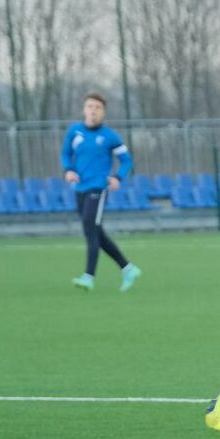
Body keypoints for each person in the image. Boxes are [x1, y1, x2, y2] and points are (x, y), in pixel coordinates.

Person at [60, 92, 141, 292]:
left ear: (103, 112)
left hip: (98, 187)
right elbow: (65, 153)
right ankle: (128, 268)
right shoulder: (74, 132)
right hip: (79, 187)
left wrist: (118, 177)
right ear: (84, 109)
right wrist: (68, 169)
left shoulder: (110, 136)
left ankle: (88, 276)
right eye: (90, 106)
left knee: (90, 226)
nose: (93, 110)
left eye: (97, 107)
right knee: (96, 232)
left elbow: (126, 160)